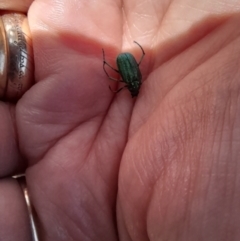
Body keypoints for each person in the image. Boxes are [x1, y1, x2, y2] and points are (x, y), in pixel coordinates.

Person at [1, 0, 240, 240]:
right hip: (125, 63)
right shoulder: (132, 82)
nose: (134, 91)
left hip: (125, 63)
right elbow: (131, 68)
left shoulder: (131, 82)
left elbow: (132, 66)